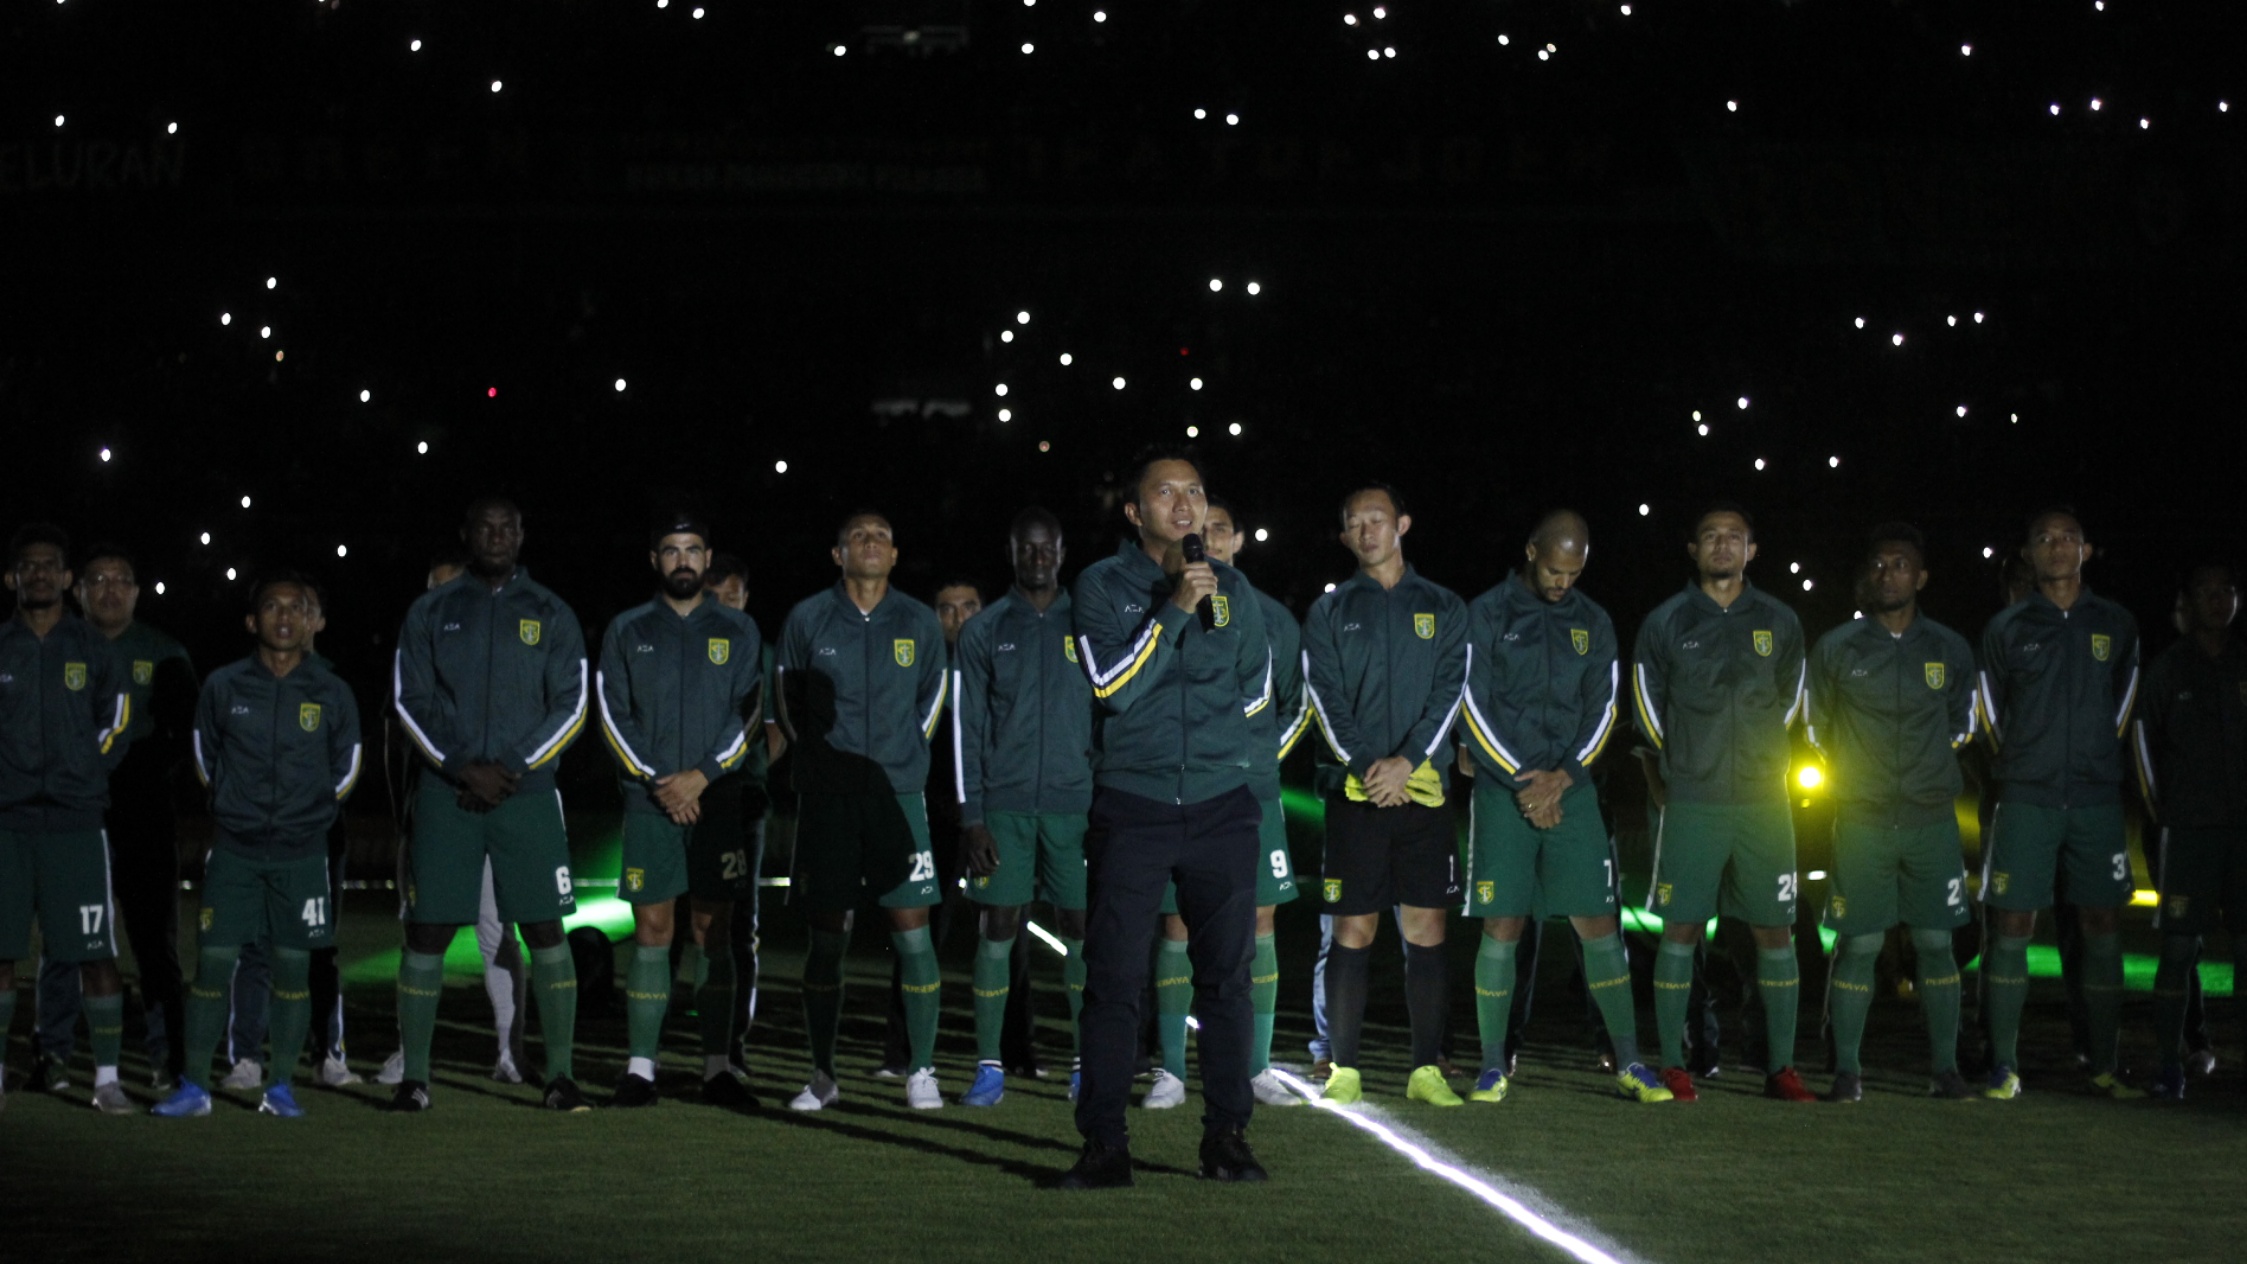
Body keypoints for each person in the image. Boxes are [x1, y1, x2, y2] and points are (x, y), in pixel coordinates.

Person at [1061, 449, 1272, 1189]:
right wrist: (1176, 606)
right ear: (1133, 511)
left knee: (1226, 981)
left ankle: (1226, 1138)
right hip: (1133, 807)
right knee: (1114, 980)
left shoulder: (1235, 590)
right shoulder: (1099, 585)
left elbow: (1254, 696)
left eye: (1195, 492)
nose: (1184, 505)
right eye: (1165, 493)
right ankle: (1105, 1146)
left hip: (1221, 808)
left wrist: (1220, 761)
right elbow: (1112, 688)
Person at [1459, 510, 1673, 1105]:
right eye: (1555, 570)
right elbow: (1472, 703)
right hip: (1505, 792)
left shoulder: (1593, 621)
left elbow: (1604, 710)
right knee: (1504, 923)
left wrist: (1562, 778)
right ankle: (1493, 1064)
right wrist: (1522, 781)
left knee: (1598, 924)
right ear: (1531, 552)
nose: (1563, 583)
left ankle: (1630, 1060)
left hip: (1571, 791)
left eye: (1574, 573)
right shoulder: (1486, 613)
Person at [389, 498, 591, 1112]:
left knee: (544, 928)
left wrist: (514, 766)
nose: (497, 536)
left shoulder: (551, 612)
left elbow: (573, 703)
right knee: (426, 931)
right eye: (485, 527)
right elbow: (408, 702)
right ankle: (415, 1079)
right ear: (466, 534)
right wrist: (459, 766)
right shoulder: (432, 610)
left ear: (522, 534)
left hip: (524, 796)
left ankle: (558, 1075)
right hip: (448, 793)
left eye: (508, 527)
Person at [151, 574, 362, 1118]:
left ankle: (281, 1087)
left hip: (302, 853)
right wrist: (234, 809)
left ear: (311, 620)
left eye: (296, 606)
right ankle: (194, 1087)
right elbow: (204, 757)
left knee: (293, 969)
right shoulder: (224, 686)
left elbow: (348, 765)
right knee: (214, 965)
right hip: (237, 851)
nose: (284, 616)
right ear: (252, 621)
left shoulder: (332, 690)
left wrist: (309, 815)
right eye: (271, 606)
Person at [1632, 502, 1815, 1102]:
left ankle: (1780, 1067)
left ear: (1752, 550)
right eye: (1710, 535)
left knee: (1775, 934)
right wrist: (1680, 765)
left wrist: (1764, 759)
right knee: (1681, 930)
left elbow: (1791, 700)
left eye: (1734, 536)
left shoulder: (1780, 621)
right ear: (1693, 549)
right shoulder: (1666, 621)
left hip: (1764, 802)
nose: (1722, 545)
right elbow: (1647, 703)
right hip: (1695, 800)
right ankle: (1674, 1065)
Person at [773, 512, 949, 1111]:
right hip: (829, 798)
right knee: (828, 938)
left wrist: (899, 760)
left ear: (895, 554)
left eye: (880, 536)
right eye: (857, 537)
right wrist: (824, 767)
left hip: (897, 794)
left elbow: (931, 701)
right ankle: (823, 1074)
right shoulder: (808, 618)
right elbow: (787, 703)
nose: (869, 543)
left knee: (912, 932)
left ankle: (920, 1070)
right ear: (837, 552)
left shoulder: (919, 621)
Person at [1301, 484, 1467, 1108]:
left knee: (1425, 929)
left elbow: (1452, 689)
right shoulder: (1330, 611)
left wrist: (1411, 762)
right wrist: (1373, 766)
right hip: (1357, 793)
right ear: (1345, 536)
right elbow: (1325, 700)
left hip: (1423, 795)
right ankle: (1345, 1067)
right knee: (1352, 929)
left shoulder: (1444, 605)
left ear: (1402, 523)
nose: (1367, 531)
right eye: (1354, 524)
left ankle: (1426, 1068)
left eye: (1378, 519)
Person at [1805, 524, 1979, 1101]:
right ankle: (1848, 1071)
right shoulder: (1838, 648)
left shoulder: (1949, 648)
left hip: (1930, 819)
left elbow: (1964, 723)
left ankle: (1945, 1069)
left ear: (1921, 577)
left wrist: (1926, 771)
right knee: (1859, 944)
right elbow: (1816, 725)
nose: (1888, 573)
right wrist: (1859, 774)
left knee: (1935, 943)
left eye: (1900, 564)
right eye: (1879, 565)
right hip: (1863, 818)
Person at [596, 515, 765, 1107]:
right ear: (655, 560)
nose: (683, 560)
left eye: (693, 550)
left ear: (708, 556)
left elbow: (748, 714)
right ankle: (641, 1068)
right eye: (671, 550)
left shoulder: (739, 631)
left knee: (712, 932)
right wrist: (659, 782)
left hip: (716, 802)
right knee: (653, 930)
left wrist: (701, 778)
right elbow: (613, 715)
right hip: (651, 803)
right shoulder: (627, 629)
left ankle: (718, 1069)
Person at [1976, 508, 2143, 1100]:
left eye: (2069, 538)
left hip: (2096, 800)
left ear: (2087, 551)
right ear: (2029, 553)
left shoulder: (2116, 624)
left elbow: (2124, 705)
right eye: (2044, 539)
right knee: (2013, 924)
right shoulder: (2008, 628)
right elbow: (1989, 713)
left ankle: (2102, 1064)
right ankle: (2003, 1065)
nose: (2057, 548)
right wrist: (2023, 764)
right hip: (2028, 798)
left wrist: (2096, 761)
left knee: (2101, 922)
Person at [1147, 496, 1306, 1110]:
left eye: (1219, 530)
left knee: (1260, 920)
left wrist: (1244, 753)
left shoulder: (1272, 618)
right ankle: (1171, 1071)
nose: (1206, 538)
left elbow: (1290, 704)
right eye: (1198, 528)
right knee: (1178, 922)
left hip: (1251, 787)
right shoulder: (1168, 602)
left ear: (1238, 540)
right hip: (1182, 786)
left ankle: (1256, 1067)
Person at [32, 545, 196, 1093]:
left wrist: (131, 772)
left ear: (136, 591)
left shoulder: (164, 651)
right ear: (78, 590)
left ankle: (170, 1058)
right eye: (97, 579)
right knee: (64, 942)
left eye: (121, 580)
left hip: (143, 818)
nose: (109, 589)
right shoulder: (50, 648)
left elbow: (182, 737)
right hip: (69, 815)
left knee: (154, 944)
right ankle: (51, 1054)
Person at [376, 551, 530, 1088]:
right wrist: (405, 817)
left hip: (488, 810)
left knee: (495, 932)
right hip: (434, 814)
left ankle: (511, 1050)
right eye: (433, 592)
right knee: (421, 936)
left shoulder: (495, 664)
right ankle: (409, 1055)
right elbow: (395, 743)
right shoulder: (412, 660)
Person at [954, 508, 1092, 1106]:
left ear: (1062, 552)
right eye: (1026, 549)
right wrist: (972, 815)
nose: (1038, 558)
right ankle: (989, 1067)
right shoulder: (986, 629)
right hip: (1004, 808)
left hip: (1075, 807)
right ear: (1012, 553)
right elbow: (966, 728)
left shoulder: (1089, 621)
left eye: (1047, 549)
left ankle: (1088, 1065)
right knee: (999, 926)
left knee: (1081, 929)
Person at [1, 524, 136, 1114]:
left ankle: (107, 1080)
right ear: (13, 579)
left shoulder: (93, 648)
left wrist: (81, 773)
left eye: (48, 566)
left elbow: (119, 721)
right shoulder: (0, 645)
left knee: (95, 952)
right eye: (26, 566)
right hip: (7, 823)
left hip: (77, 824)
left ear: (65, 580)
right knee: (2, 954)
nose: (37, 574)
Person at [2133, 563, 2243, 1099]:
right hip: (2189, 832)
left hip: (2242, 836)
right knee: (2179, 949)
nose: (2218, 600)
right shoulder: (2169, 669)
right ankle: (2168, 1064)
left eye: (2226, 591)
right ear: (2188, 600)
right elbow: (2141, 745)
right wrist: (2166, 814)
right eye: (2206, 590)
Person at [875, 578, 982, 1078]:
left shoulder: (996, 661)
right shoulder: (920, 668)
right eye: (946, 609)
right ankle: (902, 1053)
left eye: (969, 608)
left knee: (1006, 933)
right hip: (933, 815)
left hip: (990, 815)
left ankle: (1014, 1052)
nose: (958, 619)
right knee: (921, 934)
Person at [703, 552, 774, 1076]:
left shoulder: (761, 652)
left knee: (738, 925)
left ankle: (733, 1041)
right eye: (716, 596)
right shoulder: (691, 645)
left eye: (735, 596)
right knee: (686, 923)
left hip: (741, 802)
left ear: (746, 599)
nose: (727, 605)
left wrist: (748, 769)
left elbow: (776, 727)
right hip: (684, 799)